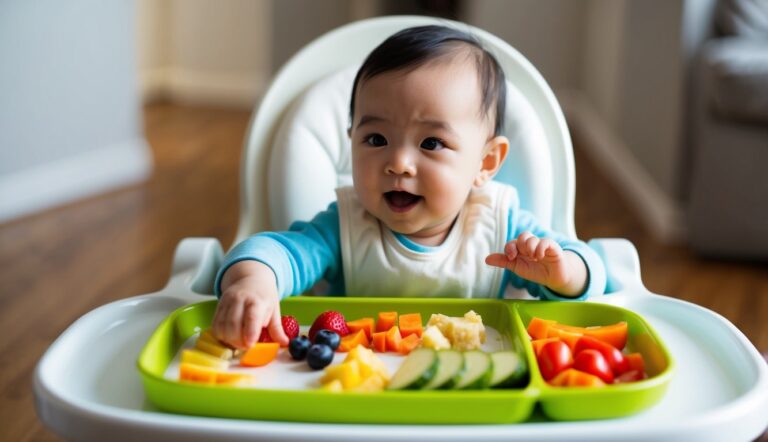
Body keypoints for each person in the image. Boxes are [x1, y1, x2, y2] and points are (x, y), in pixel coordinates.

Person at [212, 25, 606, 349]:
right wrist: (254, 281)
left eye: (431, 143)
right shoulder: (345, 226)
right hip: (365, 395)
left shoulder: (501, 230)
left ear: (485, 164)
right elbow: (274, 251)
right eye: (376, 140)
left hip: (473, 400)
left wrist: (562, 273)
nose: (398, 163)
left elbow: (591, 271)